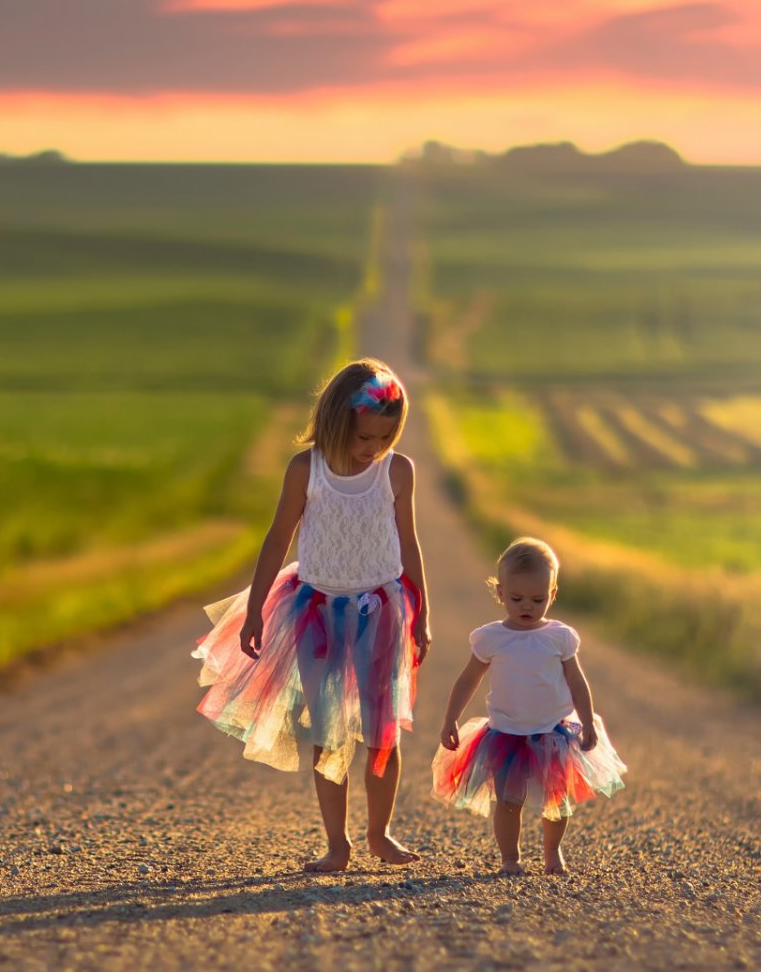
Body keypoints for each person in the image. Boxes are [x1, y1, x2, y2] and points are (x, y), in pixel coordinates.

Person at [193, 358, 432, 872]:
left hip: (382, 611)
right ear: (336, 422)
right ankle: (337, 844)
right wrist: (255, 608)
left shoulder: (398, 471)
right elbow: (277, 538)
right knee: (329, 733)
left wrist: (422, 613)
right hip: (316, 612)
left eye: (384, 437)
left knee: (382, 732)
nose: (373, 448)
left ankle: (379, 832)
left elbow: (408, 543)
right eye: (364, 436)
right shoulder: (308, 468)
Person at [432, 537, 626, 875]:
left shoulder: (559, 637)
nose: (527, 606)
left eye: (537, 599)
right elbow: (468, 680)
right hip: (507, 733)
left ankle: (553, 854)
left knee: (557, 801)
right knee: (508, 801)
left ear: (552, 594)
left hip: (553, 731)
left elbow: (577, 682)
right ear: (500, 593)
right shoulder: (492, 637)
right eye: (517, 598)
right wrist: (451, 717)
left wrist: (588, 722)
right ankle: (510, 858)